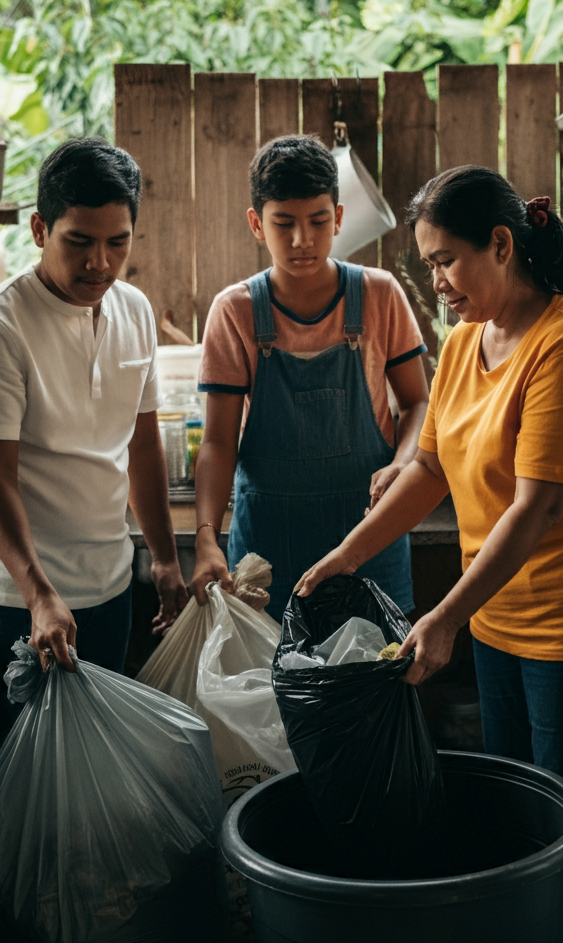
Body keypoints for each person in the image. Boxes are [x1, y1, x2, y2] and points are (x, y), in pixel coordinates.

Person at [296, 165, 563, 943]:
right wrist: (346, 556)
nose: (437, 282)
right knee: (516, 806)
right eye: (426, 266)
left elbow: (536, 510)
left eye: (446, 261)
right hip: (498, 615)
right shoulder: (466, 341)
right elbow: (428, 468)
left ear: (502, 246)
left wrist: (440, 616)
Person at [0, 137, 188, 791]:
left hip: (107, 588)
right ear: (38, 229)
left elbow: (140, 445)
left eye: (118, 242)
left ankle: (85, 899)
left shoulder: (134, 311)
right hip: (14, 600)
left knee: (92, 783)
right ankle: (2, 900)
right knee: (14, 789)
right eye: (79, 241)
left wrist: (163, 558)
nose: (100, 262)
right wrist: (40, 597)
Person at [190, 134, 430, 620]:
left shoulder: (380, 294)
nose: (302, 240)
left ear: (339, 217)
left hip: (370, 538)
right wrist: (205, 538)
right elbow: (217, 442)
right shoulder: (234, 311)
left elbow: (418, 404)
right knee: (272, 689)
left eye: (319, 221)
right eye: (284, 224)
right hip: (267, 551)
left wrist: (404, 463)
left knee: (373, 681)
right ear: (257, 224)